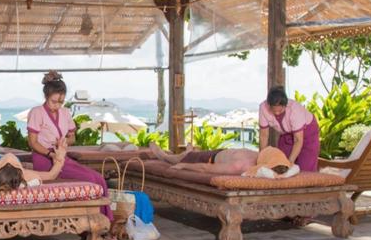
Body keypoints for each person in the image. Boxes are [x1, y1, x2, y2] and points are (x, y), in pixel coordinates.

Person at [27, 71, 114, 227]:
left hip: (60, 155)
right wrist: (51, 153)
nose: (57, 106)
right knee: (91, 180)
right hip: (45, 159)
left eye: (61, 102)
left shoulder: (65, 112)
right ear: (46, 96)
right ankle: (100, 225)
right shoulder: (36, 112)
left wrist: (64, 142)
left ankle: (106, 223)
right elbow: (33, 143)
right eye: (54, 101)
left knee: (99, 179)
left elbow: (72, 137)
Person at [259, 86, 320, 172]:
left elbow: (298, 139)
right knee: (279, 166)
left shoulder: (295, 109)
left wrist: (290, 162)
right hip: (286, 134)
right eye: (273, 110)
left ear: (285, 105)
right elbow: (263, 136)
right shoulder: (263, 108)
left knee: (305, 170)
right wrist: (262, 159)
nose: (277, 113)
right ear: (268, 105)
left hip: (307, 134)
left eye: (280, 111)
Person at [149, 143, 297, 178]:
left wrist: (184, 166)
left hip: (209, 159)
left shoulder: (240, 166)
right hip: (220, 151)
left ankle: (164, 156)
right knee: (189, 154)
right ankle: (189, 152)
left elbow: (206, 169)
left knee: (179, 159)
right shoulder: (262, 155)